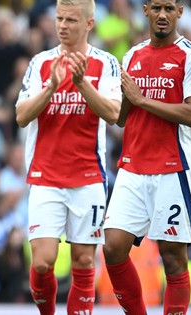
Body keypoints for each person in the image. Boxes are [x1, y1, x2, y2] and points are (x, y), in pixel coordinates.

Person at [102, 1, 191, 314]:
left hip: (173, 167)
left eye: (169, 7)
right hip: (132, 166)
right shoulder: (132, 55)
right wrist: (109, 94)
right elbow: (122, 117)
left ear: (179, 12)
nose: (162, 15)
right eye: (156, 7)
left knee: (173, 255)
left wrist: (141, 98)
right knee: (112, 248)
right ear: (146, 11)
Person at [14, 0, 122, 314]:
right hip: (46, 176)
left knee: (84, 260)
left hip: (88, 177)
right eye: (59, 19)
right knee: (44, 262)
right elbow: (21, 115)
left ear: (89, 24)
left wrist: (80, 83)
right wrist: (51, 88)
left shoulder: (105, 63)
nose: (62, 26)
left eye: (71, 20)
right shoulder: (41, 62)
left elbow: (113, 113)